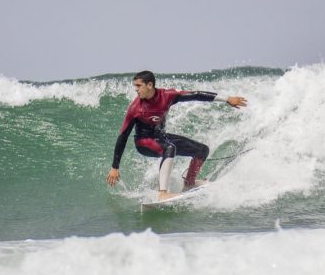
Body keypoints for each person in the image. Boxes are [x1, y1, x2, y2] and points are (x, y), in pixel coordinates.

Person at [106, 70, 247, 200]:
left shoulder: (167, 96)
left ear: (150, 85)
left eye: (138, 85)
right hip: (144, 142)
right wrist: (114, 167)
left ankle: (189, 183)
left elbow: (196, 94)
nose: (135, 89)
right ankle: (162, 193)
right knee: (170, 148)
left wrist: (227, 99)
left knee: (202, 150)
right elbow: (123, 136)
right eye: (134, 86)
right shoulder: (135, 108)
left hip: (161, 137)